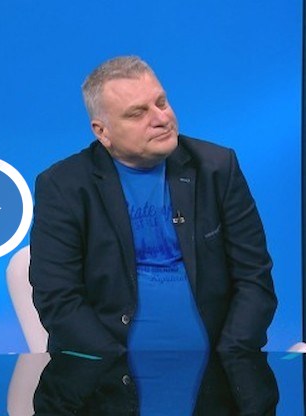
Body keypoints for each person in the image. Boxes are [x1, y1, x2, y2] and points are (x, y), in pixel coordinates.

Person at [29, 55, 276, 354]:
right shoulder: (64, 186)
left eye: (161, 102)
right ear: (102, 131)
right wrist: (118, 366)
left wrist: (228, 357)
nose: (161, 118)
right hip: (107, 369)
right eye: (137, 113)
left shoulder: (216, 168)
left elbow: (254, 280)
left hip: (216, 362)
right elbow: (58, 300)